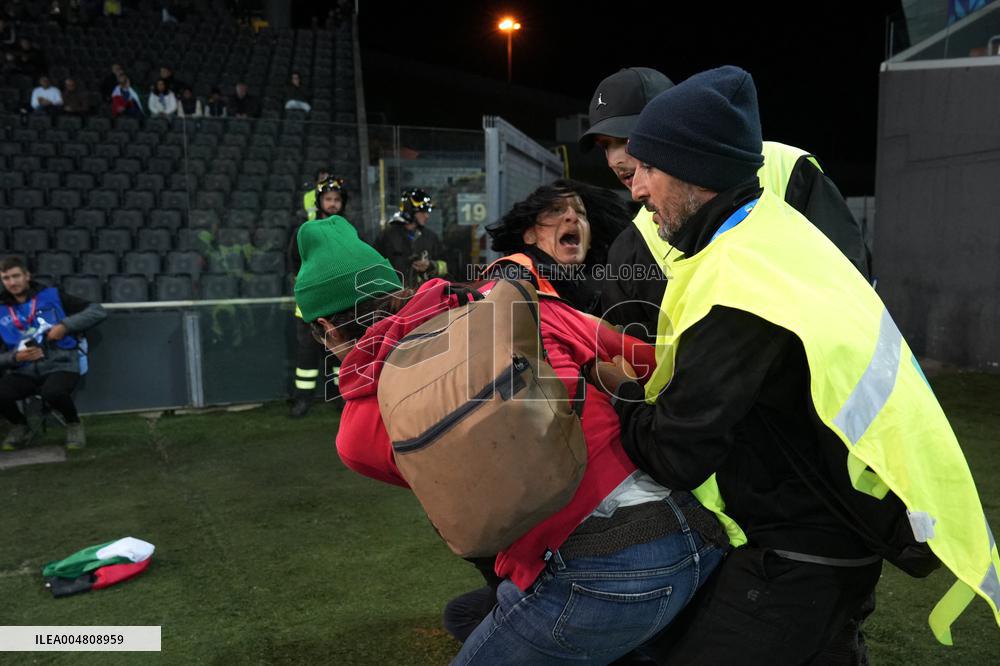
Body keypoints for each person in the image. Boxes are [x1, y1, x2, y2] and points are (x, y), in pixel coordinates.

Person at [593, 65, 999, 663]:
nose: (637, 190)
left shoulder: (739, 283)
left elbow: (677, 452)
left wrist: (620, 390)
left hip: (798, 553)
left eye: (647, 168)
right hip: (846, 532)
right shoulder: (775, 237)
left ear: (693, 170)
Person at [295, 221, 728, 664]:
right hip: (699, 530)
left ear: (327, 327)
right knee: (468, 616)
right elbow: (653, 361)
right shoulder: (519, 306)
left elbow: (470, 491)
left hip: (597, 572)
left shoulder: (358, 432)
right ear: (397, 287)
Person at [579, 67, 871, 341]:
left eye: (628, 137)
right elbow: (639, 356)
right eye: (605, 145)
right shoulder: (629, 246)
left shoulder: (787, 167)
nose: (615, 159)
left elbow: (849, 284)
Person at [0, 256, 106, 451]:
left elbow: (97, 311)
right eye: (6, 278)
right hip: (24, 370)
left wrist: (65, 326)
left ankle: (73, 424)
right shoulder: (1, 309)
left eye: (16, 276)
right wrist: (14, 358)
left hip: (61, 363)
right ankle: (20, 426)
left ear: (27, 276)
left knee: (53, 392)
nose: (12, 282)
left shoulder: (52, 295)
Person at [483, 179, 629, 315]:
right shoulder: (512, 276)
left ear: (589, 240)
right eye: (556, 210)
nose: (572, 217)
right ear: (530, 236)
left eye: (580, 212)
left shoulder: (597, 292)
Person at [287, 176, 348, 418]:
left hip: (338, 305)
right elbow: (293, 261)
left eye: (337, 200)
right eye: (328, 199)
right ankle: (302, 401)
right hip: (310, 307)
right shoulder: (306, 230)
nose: (333, 203)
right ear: (320, 201)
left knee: (338, 354)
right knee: (306, 357)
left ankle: (342, 398)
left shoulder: (346, 229)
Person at [375, 189, 448, 286]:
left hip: (423, 295)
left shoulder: (431, 237)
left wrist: (431, 265)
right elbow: (375, 268)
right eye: (422, 211)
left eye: (428, 211)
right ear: (409, 211)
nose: (427, 216)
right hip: (394, 296)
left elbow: (447, 267)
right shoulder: (387, 237)